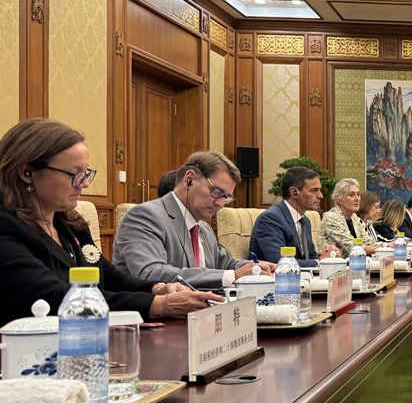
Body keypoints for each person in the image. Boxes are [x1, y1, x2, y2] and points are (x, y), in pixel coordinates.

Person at [0, 119, 219, 326]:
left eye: (86, 174)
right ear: (27, 173)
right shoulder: (6, 227)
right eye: (75, 174)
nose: (84, 184)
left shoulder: (71, 225)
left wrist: (158, 289)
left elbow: (110, 277)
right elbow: (55, 296)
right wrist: (158, 305)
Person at [114, 152, 273, 289]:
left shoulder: (203, 227)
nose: (220, 204)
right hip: (154, 320)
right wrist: (230, 276)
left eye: (226, 197)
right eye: (217, 192)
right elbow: (151, 273)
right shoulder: (145, 216)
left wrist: (258, 268)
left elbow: (226, 264)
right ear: (189, 179)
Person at [250, 166, 338, 267]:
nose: (321, 196)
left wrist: (329, 256)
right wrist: (320, 261)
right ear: (294, 192)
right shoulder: (270, 218)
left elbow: (311, 256)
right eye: (314, 190)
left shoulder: (305, 220)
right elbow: (280, 261)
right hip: (272, 279)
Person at [319, 178, 382, 255]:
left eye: (358, 195)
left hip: (353, 263)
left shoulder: (354, 217)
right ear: (339, 199)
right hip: (333, 264)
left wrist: (388, 245)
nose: (357, 199)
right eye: (351, 195)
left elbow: (367, 241)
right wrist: (386, 249)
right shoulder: (331, 217)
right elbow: (352, 246)